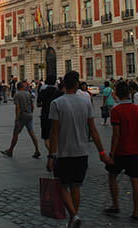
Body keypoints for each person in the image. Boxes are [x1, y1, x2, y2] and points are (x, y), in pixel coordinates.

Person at [47, 71, 113, 228]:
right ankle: (73, 218)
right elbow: (93, 130)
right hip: (82, 152)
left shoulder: (56, 103)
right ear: (77, 84)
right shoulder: (86, 102)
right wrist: (102, 153)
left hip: (63, 153)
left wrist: (51, 155)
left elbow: (54, 132)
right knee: (75, 186)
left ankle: (73, 215)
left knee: (62, 185)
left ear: (63, 85)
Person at [104, 81, 138, 223]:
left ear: (117, 94)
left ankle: (115, 205)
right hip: (135, 150)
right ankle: (136, 212)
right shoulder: (137, 109)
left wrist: (112, 153)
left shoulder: (116, 111)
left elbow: (116, 134)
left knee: (112, 176)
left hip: (121, 150)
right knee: (136, 180)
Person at [1, 81, 41, 158]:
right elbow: (32, 106)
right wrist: (30, 113)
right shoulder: (28, 94)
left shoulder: (17, 94)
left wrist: (17, 118)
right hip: (29, 115)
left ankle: (10, 150)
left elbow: (18, 107)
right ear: (23, 87)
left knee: (15, 134)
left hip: (22, 116)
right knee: (32, 133)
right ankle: (37, 150)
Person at [36, 75, 64, 154]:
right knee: (58, 135)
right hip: (57, 117)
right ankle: (58, 153)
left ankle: (53, 154)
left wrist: (45, 104)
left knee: (46, 138)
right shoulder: (59, 92)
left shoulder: (42, 92)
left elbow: (38, 104)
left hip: (45, 115)